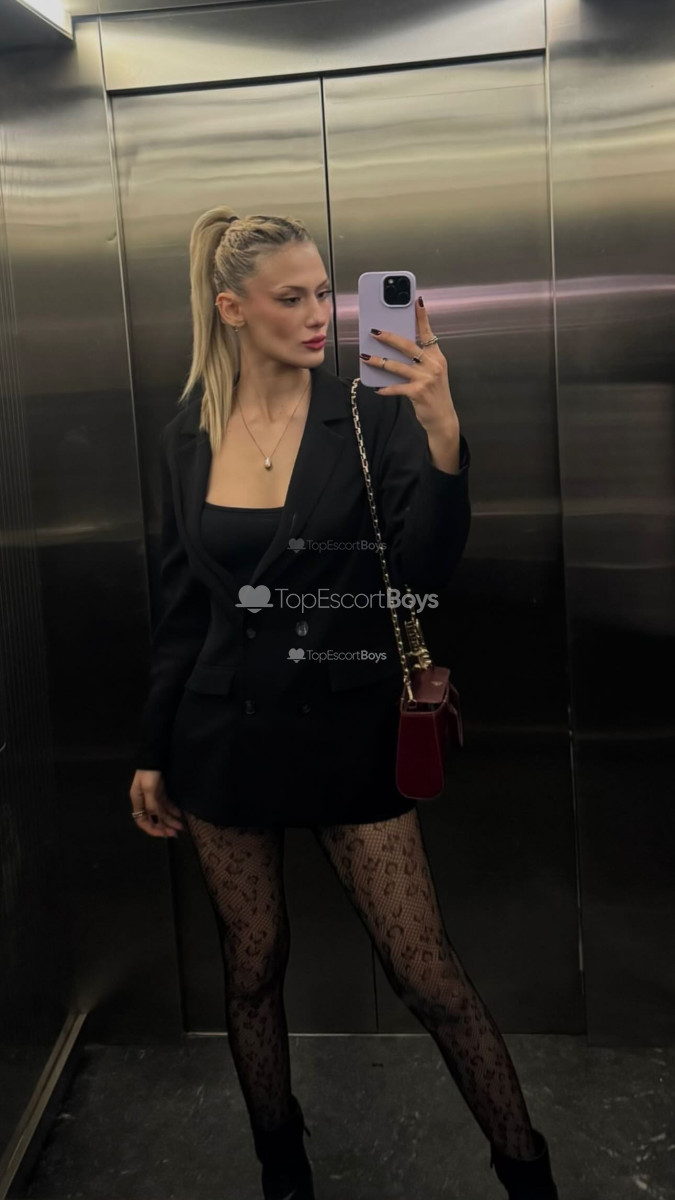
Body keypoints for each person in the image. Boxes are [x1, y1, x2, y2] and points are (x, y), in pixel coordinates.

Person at [128, 207, 560, 1200]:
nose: (321, 313)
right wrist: (152, 748)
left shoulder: (372, 416)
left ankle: (527, 1173)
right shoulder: (186, 438)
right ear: (232, 310)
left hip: (345, 733)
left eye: (325, 292)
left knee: (427, 975)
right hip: (220, 739)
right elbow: (180, 609)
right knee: (252, 968)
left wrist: (443, 431)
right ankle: (283, 1167)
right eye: (292, 298)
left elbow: (423, 571)